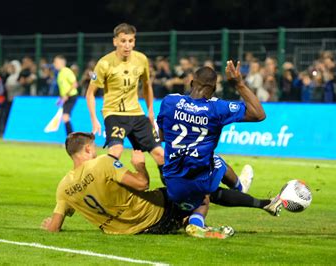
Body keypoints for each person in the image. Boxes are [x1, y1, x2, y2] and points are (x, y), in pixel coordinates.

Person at [41, 132, 277, 238]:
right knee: (203, 193)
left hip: (126, 232)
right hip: (154, 215)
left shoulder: (63, 187)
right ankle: (261, 203)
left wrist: (49, 225)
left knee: (183, 204)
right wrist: (139, 165)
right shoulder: (103, 163)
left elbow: (54, 227)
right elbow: (142, 184)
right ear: (88, 149)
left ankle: (189, 221)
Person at [156, 61, 283, 236]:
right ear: (214, 88)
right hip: (198, 181)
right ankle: (240, 187)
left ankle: (196, 223)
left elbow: (162, 137)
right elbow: (259, 114)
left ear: (192, 83)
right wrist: (238, 83)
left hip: (172, 179)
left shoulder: (169, 102)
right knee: (215, 163)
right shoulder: (217, 108)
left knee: (204, 197)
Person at [86, 23, 165, 184]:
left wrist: (150, 110)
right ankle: (103, 186)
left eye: (130, 41)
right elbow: (90, 94)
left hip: (136, 114)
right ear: (115, 41)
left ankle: (174, 192)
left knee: (160, 154)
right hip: (114, 114)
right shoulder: (104, 63)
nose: (127, 45)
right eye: (123, 41)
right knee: (116, 151)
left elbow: (147, 86)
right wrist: (94, 119)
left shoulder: (141, 59)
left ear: (134, 41)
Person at [54, 55, 78, 136]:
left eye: (56, 62)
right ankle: (71, 139)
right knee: (65, 118)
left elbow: (75, 84)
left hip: (71, 97)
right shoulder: (59, 73)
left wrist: (66, 95)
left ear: (61, 63)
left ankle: (72, 139)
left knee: (65, 117)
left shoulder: (67, 71)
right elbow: (63, 88)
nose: (54, 64)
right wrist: (60, 98)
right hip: (66, 98)